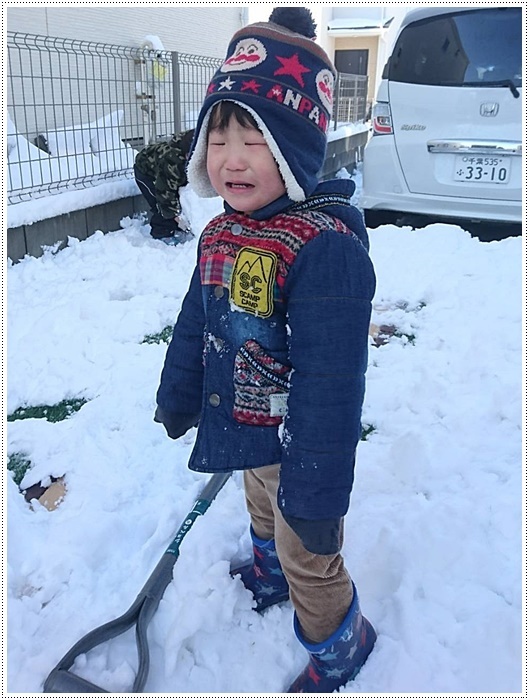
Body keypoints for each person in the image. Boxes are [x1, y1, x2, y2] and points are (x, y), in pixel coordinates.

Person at [154, 7, 377, 692]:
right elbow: (200, 316)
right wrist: (180, 388)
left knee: (305, 546)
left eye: (255, 141)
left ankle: (341, 641)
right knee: (257, 498)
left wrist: (315, 490)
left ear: (292, 154)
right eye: (218, 138)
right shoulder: (223, 232)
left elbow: (331, 384)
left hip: (303, 438)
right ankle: (267, 570)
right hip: (249, 420)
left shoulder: (323, 249)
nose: (231, 159)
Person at [134, 129, 195, 244]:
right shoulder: (171, 161)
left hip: (168, 173)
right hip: (146, 173)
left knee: (176, 200)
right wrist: (175, 216)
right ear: (187, 155)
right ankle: (161, 233)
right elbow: (164, 192)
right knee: (160, 204)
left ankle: (174, 227)